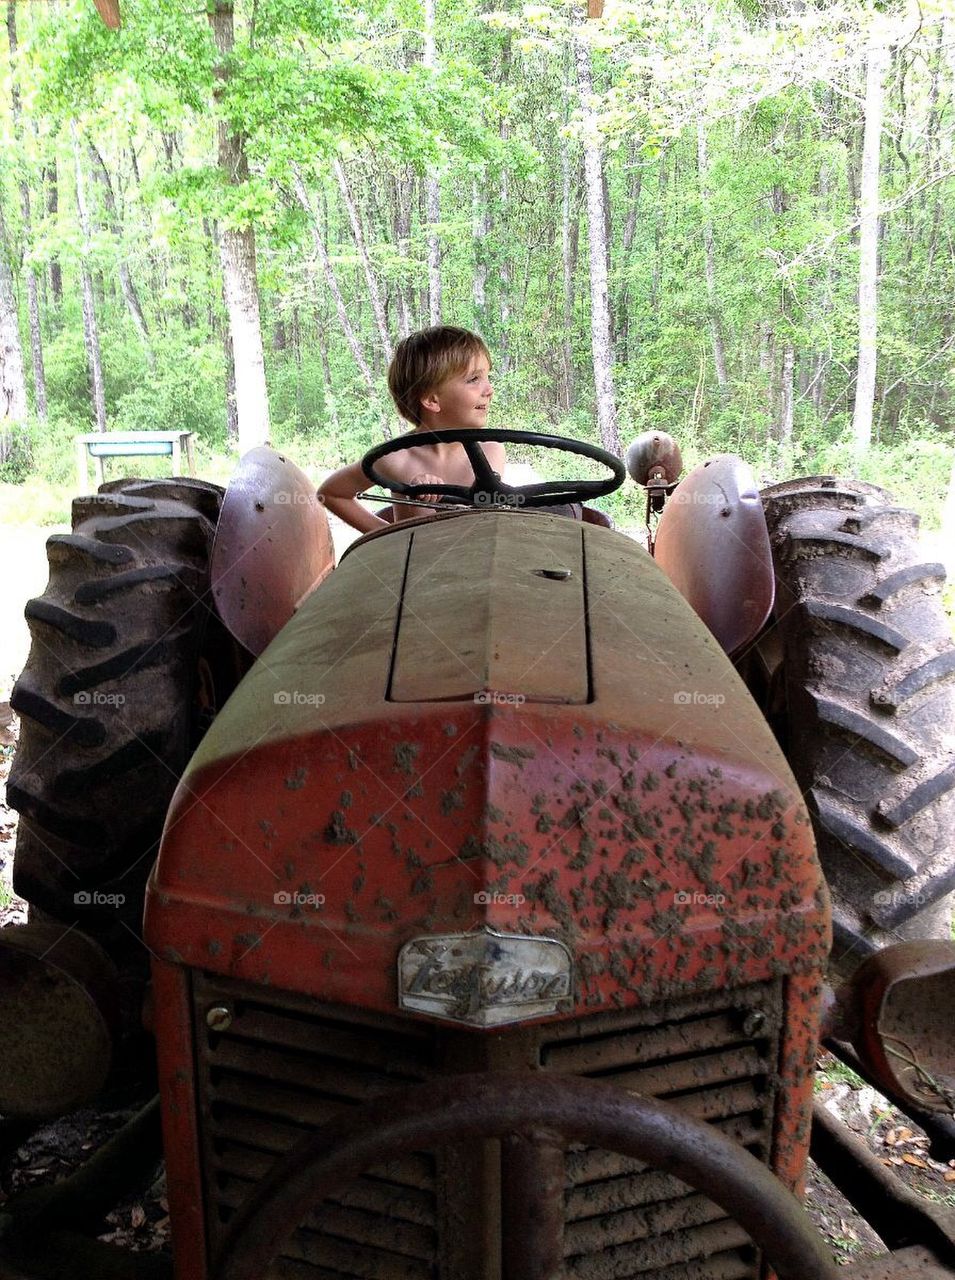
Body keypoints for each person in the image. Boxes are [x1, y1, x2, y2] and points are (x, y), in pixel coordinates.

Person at [318, 326, 504, 534]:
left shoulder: (492, 451)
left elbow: (482, 525)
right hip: (415, 565)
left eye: (488, 377)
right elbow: (331, 493)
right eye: (474, 380)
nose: (489, 390)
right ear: (432, 400)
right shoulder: (396, 458)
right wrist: (388, 536)